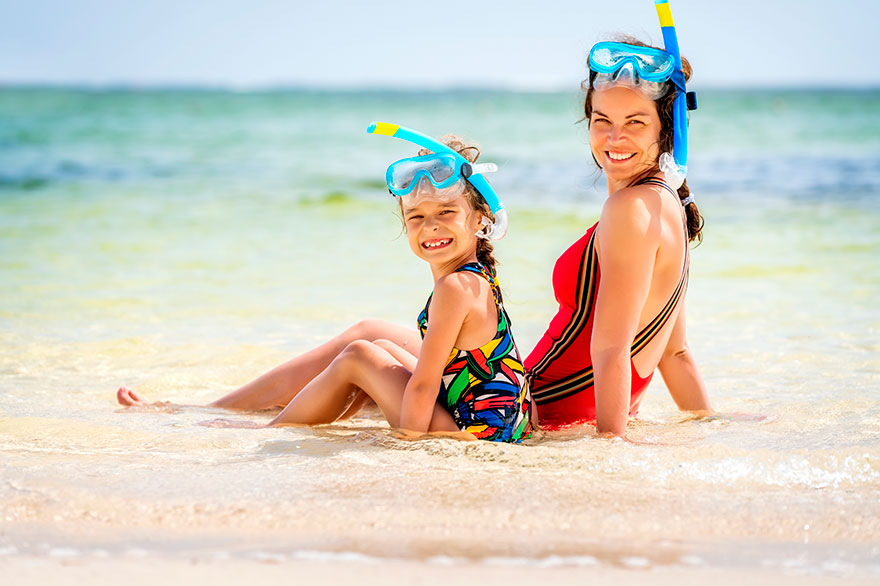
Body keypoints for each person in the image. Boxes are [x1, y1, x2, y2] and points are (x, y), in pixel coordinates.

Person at [118, 124, 532, 443]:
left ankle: (269, 432)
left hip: (479, 437)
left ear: (481, 220)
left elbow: (424, 386)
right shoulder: (474, 274)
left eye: (446, 212)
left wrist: (408, 447)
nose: (431, 227)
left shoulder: (452, 288)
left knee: (359, 357)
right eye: (417, 217)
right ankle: (248, 413)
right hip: (504, 421)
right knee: (379, 345)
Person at [524, 2, 712, 437]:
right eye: (601, 120)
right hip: (553, 395)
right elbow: (674, 353)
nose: (613, 138)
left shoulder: (629, 209)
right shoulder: (669, 203)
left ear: (665, 129)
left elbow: (611, 349)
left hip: (538, 404)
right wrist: (709, 423)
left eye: (635, 122)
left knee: (365, 353)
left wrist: (609, 448)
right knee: (373, 339)